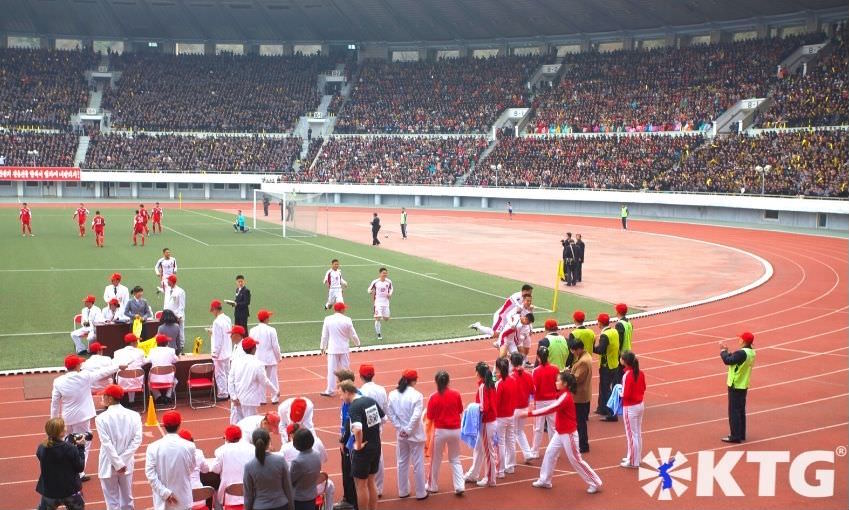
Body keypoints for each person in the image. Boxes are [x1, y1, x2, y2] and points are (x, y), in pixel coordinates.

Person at [524, 372, 603, 494]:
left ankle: (595, 482)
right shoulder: (562, 394)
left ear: (565, 384)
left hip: (568, 433)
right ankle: (545, 480)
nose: (556, 382)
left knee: (576, 460)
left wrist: (530, 413)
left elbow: (551, 408)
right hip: (560, 432)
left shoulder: (565, 397)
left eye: (558, 380)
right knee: (550, 453)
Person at [51, 354, 121, 481]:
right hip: (83, 417)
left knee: (66, 442)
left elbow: (55, 403)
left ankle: (66, 468)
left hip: (67, 417)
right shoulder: (85, 376)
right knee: (84, 444)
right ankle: (79, 472)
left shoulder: (58, 381)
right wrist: (118, 366)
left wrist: (54, 420)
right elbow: (102, 372)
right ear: (77, 366)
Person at [95, 384, 143, 510]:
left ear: (110, 399)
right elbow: (137, 440)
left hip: (108, 463)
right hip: (126, 464)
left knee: (112, 502)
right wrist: (122, 461)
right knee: (127, 499)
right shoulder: (134, 415)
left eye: (104, 396)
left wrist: (117, 463)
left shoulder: (101, 418)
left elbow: (106, 443)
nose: (102, 399)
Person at [342, 380, 385, 510]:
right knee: (371, 482)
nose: (341, 397)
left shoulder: (354, 406)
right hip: (376, 445)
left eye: (341, 394)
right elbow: (383, 419)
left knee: (361, 484)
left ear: (347, 392)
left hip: (364, 450)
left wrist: (359, 445)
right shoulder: (370, 401)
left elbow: (358, 428)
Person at [386, 369, 427, 500]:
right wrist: (408, 429)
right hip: (415, 434)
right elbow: (416, 416)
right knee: (418, 463)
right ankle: (421, 492)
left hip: (401, 434)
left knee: (402, 462)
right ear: (414, 381)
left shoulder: (392, 394)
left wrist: (400, 428)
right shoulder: (417, 395)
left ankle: (403, 490)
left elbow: (390, 414)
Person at [145, 411, 196, 510]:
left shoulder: (152, 447)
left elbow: (150, 475)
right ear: (179, 425)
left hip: (163, 502)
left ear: (164, 426)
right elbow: (191, 468)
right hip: (183, 499)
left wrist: (165, 493)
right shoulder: (190, 446)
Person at [425, 370, 464, 495]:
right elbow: (460, 410)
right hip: (455, 430)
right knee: (455, 459)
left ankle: (432, 485)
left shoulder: (433, 397)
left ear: (436, 381)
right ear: (448, 381)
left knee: (435, 460)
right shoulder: (456, 394)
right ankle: (459, 485)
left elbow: (430, 417)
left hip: (440, 431)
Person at [36, 417, 86, 510]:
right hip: (70, 490)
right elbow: (80, 468)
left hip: (49, 491)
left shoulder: (41, 447)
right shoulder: (71, 448)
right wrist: (81, 448)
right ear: (61, 432)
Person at [464, 361, 498, 488]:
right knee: (478, 449)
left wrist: (471, 408)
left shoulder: (483, 387)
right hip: (489, 421)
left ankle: (490, 478)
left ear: (478, 373)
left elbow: (484, 407)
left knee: (488, 452)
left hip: (486, 423)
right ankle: (473, 474)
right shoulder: (490, 384)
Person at [243, 428, 295, 510]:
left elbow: (248, 495)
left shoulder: (249, 466)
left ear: (253, 443)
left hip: (260, 506)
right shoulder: (280, 460)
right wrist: (292, 507)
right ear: (269, 442)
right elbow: (288, 487)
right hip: (281, 505)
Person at [228, 337, 277, 424]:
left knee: (238, 423)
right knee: (250, 424)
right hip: (250, 400)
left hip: (238, 397)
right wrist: (275, 391)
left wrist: (233, 396)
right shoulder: (258, 364)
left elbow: (230, 380)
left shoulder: (236, 362)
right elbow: (264, 381)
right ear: (254, 348)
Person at [720, 332, 756, 443]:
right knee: (740, 410)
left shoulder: (741, 353)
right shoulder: (751, 352)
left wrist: (723, 351)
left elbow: (728, 360)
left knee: (734, 411)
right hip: (743, 384)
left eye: (740, 338)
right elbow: (736, 359)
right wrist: (729, 353)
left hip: (735, 384)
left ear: (743, 341)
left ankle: (735, 436)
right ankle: (740, 434)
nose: (739, 339)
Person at [357, 364, 387, 497]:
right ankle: (378, 488)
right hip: (378, 426)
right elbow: (385, 408)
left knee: (364, 457)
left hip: (365, 429)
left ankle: (368, 487)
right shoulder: (381, 389)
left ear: (360, 376)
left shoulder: (361, 392)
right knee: (378, 457)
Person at [319, 302, 361, 396]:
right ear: (342, 310)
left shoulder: (328, 319)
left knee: (331, 370)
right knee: (345, 370)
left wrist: (322, 347)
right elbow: (352, 334)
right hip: (344, 348)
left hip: (333, 349)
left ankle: (330, 390)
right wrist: (357, 343)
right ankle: (347, 389)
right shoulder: (347, 320)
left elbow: (324, 335)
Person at [210, 425, 256, 507]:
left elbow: (215, 469)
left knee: (215, 498)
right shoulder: (252, 448)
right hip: (250, 494)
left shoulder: (221, 450)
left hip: (229, 497)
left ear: (226, 437)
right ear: (240, 436)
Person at [469, 284, 534, 337]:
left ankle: (501, 346)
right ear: (525, 291)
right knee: (495, 334)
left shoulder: (524, 299)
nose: (531, 294)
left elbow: (525, 311)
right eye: (530, 292)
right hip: (501, 316)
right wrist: (519, 305)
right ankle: (478, 326)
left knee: (506, 334)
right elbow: (512, 298)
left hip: (508, 318)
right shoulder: (517, 295)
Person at [335, 370, 359, 510]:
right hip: (347, 441)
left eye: (338, 381)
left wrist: (345, 441)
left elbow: (350, 423)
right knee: (347, 471)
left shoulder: (352, 400)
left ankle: (352, 502)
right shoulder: (348, 398)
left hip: (351, 443)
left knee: (350, 473)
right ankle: (349, 499)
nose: (336, 384)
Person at [250, 309, 283, 404]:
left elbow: (252, 345)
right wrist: (278, 357)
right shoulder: (271, 330)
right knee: (273, 378)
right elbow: (275, 345)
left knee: (260, 379)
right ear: (266, 319)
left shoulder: (253, 330)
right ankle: (275, 398)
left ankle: (261, 399)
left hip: (258, 358)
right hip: (270, 358)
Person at [531, 346, 559, 457]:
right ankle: (554, 451)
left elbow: (534, 388)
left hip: (540, 402)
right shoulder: (555, 369)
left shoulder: (535, 371)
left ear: (538, 357)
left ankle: (535, 451)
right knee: (553, 427)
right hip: (552, 401)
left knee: (538, 427)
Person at [620, 350, 646, 468]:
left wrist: (620, 393)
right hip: (640, 404)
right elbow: (643, 387)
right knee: (637, 433)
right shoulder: (640, 373)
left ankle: (633, 461)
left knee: (631, 435)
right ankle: (636, 457)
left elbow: (626, 394)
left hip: (630, 407)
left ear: (625, 362)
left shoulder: (627, 375)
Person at [509, 352, 536, 463]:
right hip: (525, 408)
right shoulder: (528, 375)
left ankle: (510, 461)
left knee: (511, 435)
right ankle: (528, 453)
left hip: (513, 409)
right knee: (519, 432)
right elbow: (532, 391)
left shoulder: (510, 377)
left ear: (511, 363)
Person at [593, 313, 620, 422]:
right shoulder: (614, 331)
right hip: (614, 363)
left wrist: (591, 347)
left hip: (607, 365)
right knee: (605, 388)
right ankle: (602, 408)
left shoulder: (605, 335)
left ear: (600, 323)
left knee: (606, 389)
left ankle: (612, 413)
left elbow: (601, 350)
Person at [288, 427, 323, 510]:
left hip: (299, 498)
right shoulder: (317, 454)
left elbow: (290, 480)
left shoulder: (297, 462)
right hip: (312, 495)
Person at [494, 358, 517, 479]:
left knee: (501, 443)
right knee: (510, 440)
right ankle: (511, 466)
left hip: (501, 417)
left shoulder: (500, 383)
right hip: (511, 414)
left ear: (498, 369)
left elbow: (496, 402)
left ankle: (501, 470)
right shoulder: (512, 380)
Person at [569, 339, 593, 453]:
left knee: (580, 422)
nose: (572, 352)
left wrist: (567, 376)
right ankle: (581, 443)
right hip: (583, 394)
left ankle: (583, 445)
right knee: (580, 421)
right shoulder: (585, 356)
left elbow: (577, 378)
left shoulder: (583, 361)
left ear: (578, 349)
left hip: (579, 396)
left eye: (573, 350)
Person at [178, 429, 212, 509]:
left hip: (184, 500)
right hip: (200, 497)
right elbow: (206, 470)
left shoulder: (175, 456)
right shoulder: (198, 453)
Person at [209, 299, 233, 400]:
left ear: (215, 309)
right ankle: (230, 391)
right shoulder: (227, 318)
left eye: (212, 310)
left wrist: (215, 353)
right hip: (228, 350)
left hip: (220, 353)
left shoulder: (217, 322)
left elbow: (218, 340)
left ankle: (223, 393)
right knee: (228, 373)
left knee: (220, 374)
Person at [113, 333, 147, 403]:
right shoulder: (140, 352)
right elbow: (143, 362)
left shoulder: (117, 353)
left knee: (131, 374)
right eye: (136, 341)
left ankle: (130, 401)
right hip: (137, 382)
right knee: (133, 374)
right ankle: (131, 401)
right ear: (132, 342)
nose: (137, 343)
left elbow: (114, 364)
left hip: (122, 382)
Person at [149, 334, 179, 404]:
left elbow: (147, 360)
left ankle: (158, 397)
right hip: (168, 379)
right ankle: (168, 397)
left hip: (155, 379)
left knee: (149, 383)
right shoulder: (171, 350)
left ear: (157, 343)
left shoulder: (152, 351)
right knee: (175, 381)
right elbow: (176, 360)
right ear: (166, 343)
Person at [367, 267, 393, 341]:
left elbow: (391, 288)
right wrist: (370, 291)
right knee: (378, 318)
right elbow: (369, 289)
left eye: (386, 273)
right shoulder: (375, 282)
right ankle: (379, 334)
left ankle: (379, 315)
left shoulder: (389, 282)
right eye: (383, 273)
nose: (385, 274)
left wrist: (390, 294)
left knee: (386, 319)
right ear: (380, 273)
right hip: (378, 302)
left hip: (386, 302)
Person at [163, 274, 185, 345]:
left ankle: (181, 344)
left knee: (179, 330)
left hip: (176, 315)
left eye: (168, 280)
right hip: (167, 314)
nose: (167, 282)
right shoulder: (168, 289)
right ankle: (168, 343)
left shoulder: (180, 291)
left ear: (171, 282)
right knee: (167, 329)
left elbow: (182, 305)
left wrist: (179, 316)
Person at [614, 303, 634, 379]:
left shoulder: (619, 324)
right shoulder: (629, 323)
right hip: (628, 351)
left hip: (622, 354)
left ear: (618, 312)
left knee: (619, 377)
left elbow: (619, 340)